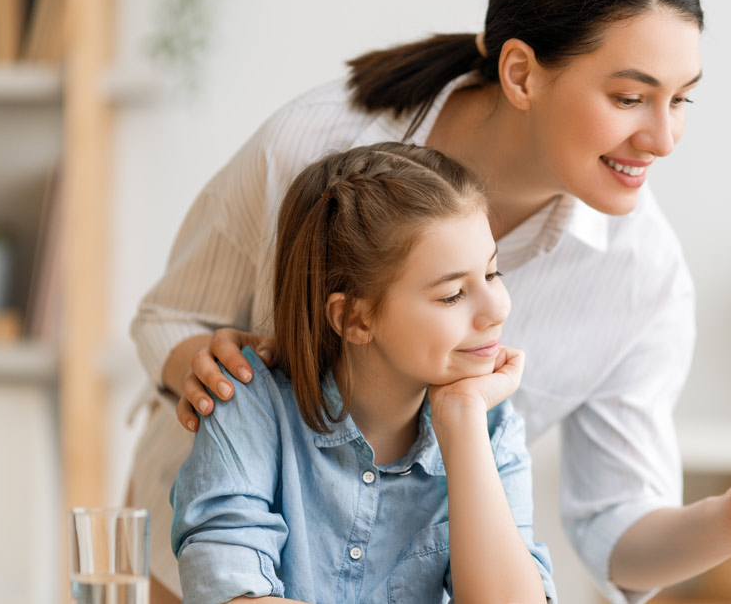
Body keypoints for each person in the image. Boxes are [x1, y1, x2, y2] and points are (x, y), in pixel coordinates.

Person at [130, 0, 731, 602]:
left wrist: (729, 521)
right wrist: (211, 371)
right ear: (520, 74)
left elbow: (616, 522)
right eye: (631, 96)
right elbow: (170, 314)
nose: (664, 138)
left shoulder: (641, 279)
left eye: (682, 100)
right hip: (199, 561)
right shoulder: (314, 146)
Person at [171, 143, 553, 604]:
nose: (498, 309)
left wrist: (463, 420)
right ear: (356, 318)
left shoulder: (491, 428)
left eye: (493, 274)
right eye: (453, 294)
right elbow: (230, 592)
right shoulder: (250, 405)